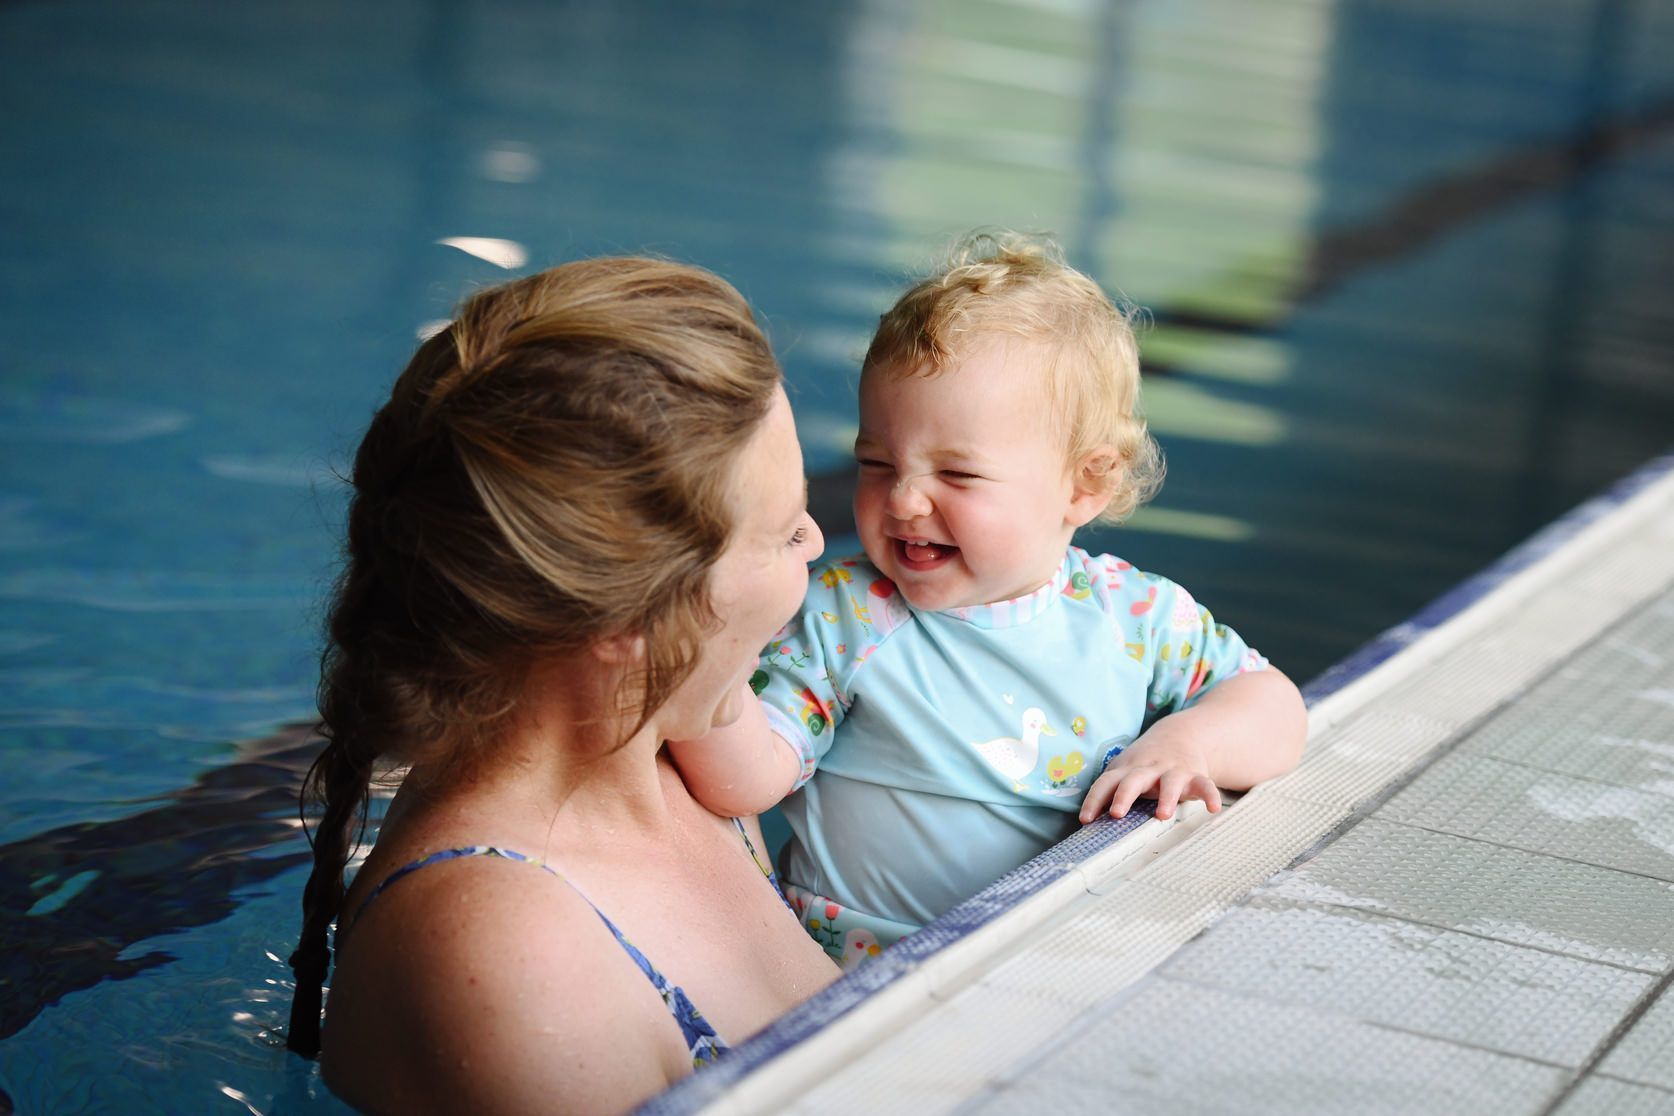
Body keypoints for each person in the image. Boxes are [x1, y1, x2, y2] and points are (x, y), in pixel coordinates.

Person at [284, 257, 840, 1114]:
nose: (814, 548)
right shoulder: (514, 959)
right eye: (781, 531)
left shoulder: (674, 756)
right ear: (630, 624)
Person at [668, 233, 1307, 966]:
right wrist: (693, 656)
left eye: (958, 476)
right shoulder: (846, 615)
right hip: (851, 977)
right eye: (876, 463)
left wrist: (1186, 742)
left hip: (1063, 955)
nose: (904, 499)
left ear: (1084, 485)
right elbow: (744, 778)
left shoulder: (1135, 619)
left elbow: (1273, 704)